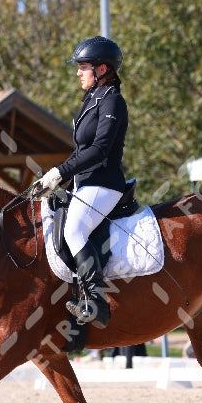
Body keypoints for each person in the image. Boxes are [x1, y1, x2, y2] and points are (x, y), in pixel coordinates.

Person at [32, 36, 128, 328]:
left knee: (74, 231)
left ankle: (97, 302)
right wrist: (60, 179)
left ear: (102, 69)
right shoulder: (92, 99)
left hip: (104, 183)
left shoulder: (112, 100)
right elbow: (80, 152)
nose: (78, 72)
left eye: (83, 66)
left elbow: (99, 149)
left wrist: (61, 171)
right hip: (84, 183)